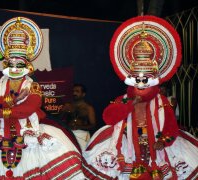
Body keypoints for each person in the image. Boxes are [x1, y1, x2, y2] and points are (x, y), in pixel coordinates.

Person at [0, 17, 85, 179]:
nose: (15, 68)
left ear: (27, 67)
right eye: (11, 64)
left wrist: (1, 108)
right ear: (6, 65)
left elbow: (28, 108)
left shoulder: (33, 87)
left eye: (19, 65)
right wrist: (12, 101)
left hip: (29, 127)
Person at [83, 16, 198, 179]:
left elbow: (171, 126)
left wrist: (164, 141)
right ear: (131, 79)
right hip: (127, 148)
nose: (141, 83)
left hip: (157, 150)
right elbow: (109, 117)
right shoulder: (123, 99)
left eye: (145, 79)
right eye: (137, 79)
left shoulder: (161, 101)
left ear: (152, 79)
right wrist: (130, 104)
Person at [60, 83, 97, 150]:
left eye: (77, 91)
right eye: (73, 91)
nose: (74, 93)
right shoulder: (67, 105)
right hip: (69, 134)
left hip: (82, 135)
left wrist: (79, 127)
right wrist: (63, 111)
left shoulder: (88, 108)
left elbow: (93, 125)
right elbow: (58, 120)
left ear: (83, 94)